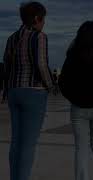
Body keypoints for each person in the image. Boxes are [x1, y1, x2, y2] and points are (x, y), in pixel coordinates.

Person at [3, 2, 53, 180]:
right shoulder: (39, 37)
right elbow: (41, 64)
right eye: (43, 19)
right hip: (33, 92)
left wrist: (6, 91)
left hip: (14, 91)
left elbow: (7, 67)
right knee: (28, 145)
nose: (44, 23)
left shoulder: (12, 38)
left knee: (16, 142)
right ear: (37, 19)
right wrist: (50, 85)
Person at [59, 21, 93, 180]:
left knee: (81, 148)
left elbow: (63, 82)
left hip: (79, 108)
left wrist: (74, 98)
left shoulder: (72, 54)